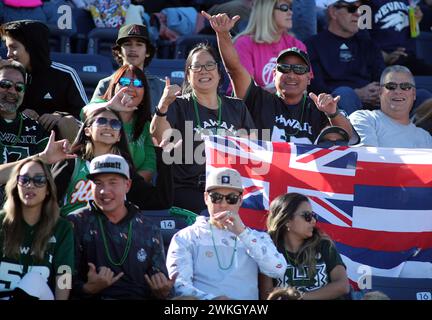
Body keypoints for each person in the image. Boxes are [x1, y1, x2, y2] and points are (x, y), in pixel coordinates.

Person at [203, 11, 357, 144]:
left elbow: (346, 137)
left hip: (304, 175)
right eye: (284, 68)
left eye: (299, 69)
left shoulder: (317, 109)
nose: (291, 74)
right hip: (262, 175)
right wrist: (223, 34)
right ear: (274, 74)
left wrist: (333, 113)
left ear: (309, 77)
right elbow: (234, 69)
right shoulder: (257, 99)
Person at [150, 43, 256, 214]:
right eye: (196, 66)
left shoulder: (237, 107)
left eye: (209, 65)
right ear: (188, 75)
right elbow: (159, 138)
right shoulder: (177, 105)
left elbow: (253, 150)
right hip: (188, 189)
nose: (203, 70)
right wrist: (162, 107)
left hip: (229, 189)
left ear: (219, 73)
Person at [166, 167, 287, 300]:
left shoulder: (257, 237)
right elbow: (179, 286)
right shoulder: (185, 237)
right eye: (216, 197)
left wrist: (242, 232)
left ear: (240, 200)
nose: (223, 204)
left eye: (231, 198)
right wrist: (212, 300)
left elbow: (278, 269)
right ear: (206, 198)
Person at [68, 153, 175, 299]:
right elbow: (61, 279)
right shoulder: (75, 222)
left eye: (113, 182)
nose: (104, 191)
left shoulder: (148, 229)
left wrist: (163, 292)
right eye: (98, 183)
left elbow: (160, 283)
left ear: (127, 185)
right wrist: (86, 289)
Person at [52, 107, 172, 216]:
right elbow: (46, 201)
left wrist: (164, 157)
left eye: (115, 124)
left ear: (119, 136)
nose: (108, 126)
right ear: (87, 131)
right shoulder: (71, 161)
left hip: (111, 235)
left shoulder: (124, 168)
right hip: (74, 232)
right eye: (101, 121)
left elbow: (160, 201)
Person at [0, 20, 88, 142]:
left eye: (13, 47)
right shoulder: (4, 73)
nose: (8, 54)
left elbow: (86, 116)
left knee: (67, 122)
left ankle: (71, 161)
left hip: (53, 145)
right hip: (12, 143)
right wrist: (19, 114)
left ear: (32, 47)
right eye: (7, 48)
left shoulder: (65, 74)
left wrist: (58, 115)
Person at [0, 158, 74, 300]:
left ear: (48, 189)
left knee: (33, 280)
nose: (30, 185)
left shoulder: (61, 228)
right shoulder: (2, 222)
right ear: (16, 186)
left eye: (39, 180)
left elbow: (64, 276)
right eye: (24, 179)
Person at [260, 192, 350, 300]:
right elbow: (267, 296)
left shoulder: (324, 245)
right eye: (307, 216)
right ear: (287, 220)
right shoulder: (269, 249)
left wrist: (301, 297)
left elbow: (343, 285)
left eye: (313, 216)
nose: (313, 221)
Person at [305, 0, 386, 115]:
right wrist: (356, 93)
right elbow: (316, 87)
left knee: (415, 92)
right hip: (334, 109)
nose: (358, 13)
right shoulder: (312, 45)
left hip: (373, 104)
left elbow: (382, 76)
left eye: (360, 9)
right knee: (345, 94)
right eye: (351, 8)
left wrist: (379, 90)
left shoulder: (368, 44)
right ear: (333, 12)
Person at [85, 64, 156, 182]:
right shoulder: (100, 105)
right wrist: (109, 105)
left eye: (138, 84)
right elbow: (85, 112)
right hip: (89, 183)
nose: (131, 87)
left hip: (130, 189)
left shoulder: (146, 124)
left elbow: (149, 165)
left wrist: (124, 188)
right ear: (114, 86)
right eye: (124, 81)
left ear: (145, 92)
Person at [232, 0, 308, 93]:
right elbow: (245, 91)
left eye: (290, 8)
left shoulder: (297, 45)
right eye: (284, 7)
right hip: (253, 106)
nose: (290, 12)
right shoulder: (244, 44)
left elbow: (302, 89)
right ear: (267, 10)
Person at [349, 65, 432, 148]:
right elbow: (367, 157)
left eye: (405, 86)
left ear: (414, 94)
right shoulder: (364, 118)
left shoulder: (426, 138)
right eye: (391, 86)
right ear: (380, 92)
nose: (398, 91)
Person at [92, 23, 164, 113]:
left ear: (148, 52)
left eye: (139, 44)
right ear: (119, 52)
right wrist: (108, 105)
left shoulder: (161, 87)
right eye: (127, 44)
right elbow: (88, 115)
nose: (133, 49)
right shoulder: (106, 83)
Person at [369, 0, 432, 76]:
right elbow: (361, 37)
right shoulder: (368, 4)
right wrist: (382, 56)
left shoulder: (407, 2)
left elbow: (413, 33)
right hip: (381, 61)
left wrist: (416, 22)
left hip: (408, 58)